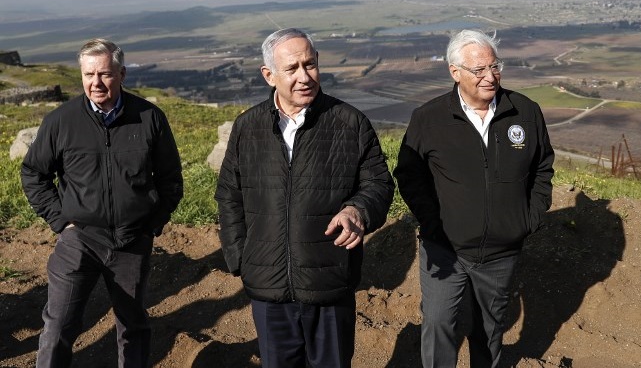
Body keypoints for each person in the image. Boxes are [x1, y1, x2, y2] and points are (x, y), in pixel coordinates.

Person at [214, 27, 394, 368]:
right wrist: (241, 257)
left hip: (329, 281)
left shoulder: (350, 123)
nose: (304, 76)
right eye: (292, 68)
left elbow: (380, 185)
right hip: (268, 288)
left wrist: (358, 210)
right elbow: (228, 195)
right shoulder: (248, 127)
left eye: (309, 65)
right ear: (269, 75)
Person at [393, 29, 555, 368]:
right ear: (455, 72)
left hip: (501, 251)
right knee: (439, 325)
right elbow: (410, 175)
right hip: (444, 250)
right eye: (479, 70)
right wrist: (433, 224)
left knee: (490, 329)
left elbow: (542, 166)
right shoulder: (429, 118)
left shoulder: (524, 112)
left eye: (495, 66)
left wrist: (530, 218)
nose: (490, 76)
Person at [21, 38, 184, 368]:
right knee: (58, 326)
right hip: (79, 239)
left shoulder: (149, 117)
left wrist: (152, 223)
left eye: (105, 74)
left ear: (122, 74)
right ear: (81, 75)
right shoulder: (61, 121)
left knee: (133, 326)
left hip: (131, 240)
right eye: (88, 74)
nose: (96, 83)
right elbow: (33, 173)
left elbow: (170, 178)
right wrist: (60, 221)